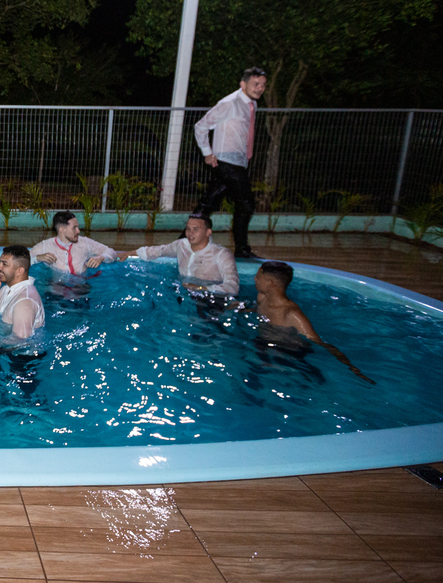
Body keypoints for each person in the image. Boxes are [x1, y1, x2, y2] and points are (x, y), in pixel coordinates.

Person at [254, 261, 372, 383]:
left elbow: (320, 343)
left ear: (270, 283)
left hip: (289, 352)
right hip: (264, 343)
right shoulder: (262, 298)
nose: (255, 279)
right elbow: (257, 309)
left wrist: (351, 367)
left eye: (258, 277)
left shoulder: (291, 315)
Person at [193, 66, 266, 259]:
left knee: (207, 204)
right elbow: (201, 126)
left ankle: (182, 243)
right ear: (243, 84)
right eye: (255, 84)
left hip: (237, 161)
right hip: (227, 161)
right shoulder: (230, 103)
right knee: (246, 205)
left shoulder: (251, 104)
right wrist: (207, 152)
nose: (259, 88)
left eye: (263, 85)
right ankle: (242, 250)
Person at [122, 214, 239, 296]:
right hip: (181, 292)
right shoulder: (182, 245)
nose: (190, 233)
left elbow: (232, 287)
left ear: (208, 232)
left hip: (209, 298)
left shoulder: (221, 254)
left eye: (196, 229)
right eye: (188, 229)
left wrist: (201, 288)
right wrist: (130, 253)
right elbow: (159, 251)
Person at [0, 245, 45, 347]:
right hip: (5, 346)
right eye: (0, 262)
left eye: (4, 264)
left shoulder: (25, 302)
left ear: (20, 271)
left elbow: (21, 340)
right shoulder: (8, 289)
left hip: (22, 359)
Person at [29, 211, 118, 277]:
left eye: (78, 227)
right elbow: (21, 259)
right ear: (62, 229)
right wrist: (37, 258)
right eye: (74, 228)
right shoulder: (46, 246)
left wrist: (101, 257)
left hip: (81, 288)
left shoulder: (85, 243)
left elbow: (112, 252)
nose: (78, 231)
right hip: (56, 290)